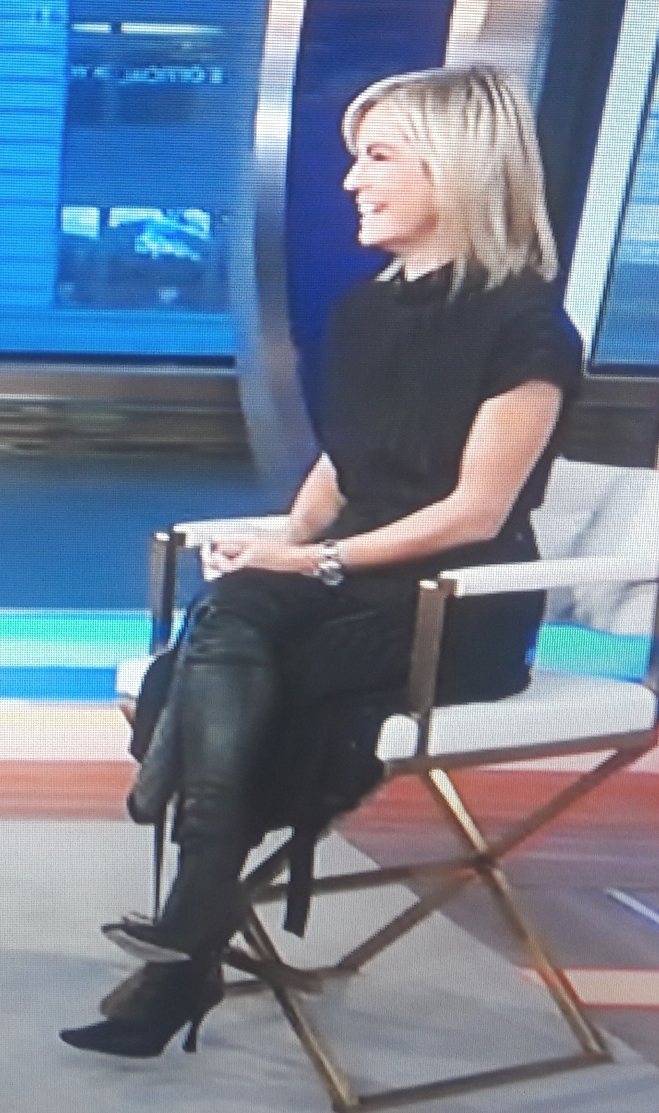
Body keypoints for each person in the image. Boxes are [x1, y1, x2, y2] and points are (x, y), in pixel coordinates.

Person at [60, 65, 582, 1058]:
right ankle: (191, 931)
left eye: (377, 156)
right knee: (233, 614)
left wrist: (315, 562)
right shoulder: (361, 312)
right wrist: (289, 540)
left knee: (230, 644)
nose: (351, 181)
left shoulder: (527, 328)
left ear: (457, 168)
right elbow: (344, 460)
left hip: (454, 603)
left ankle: (188, 932)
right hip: (352, 576)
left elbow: (473, 512)